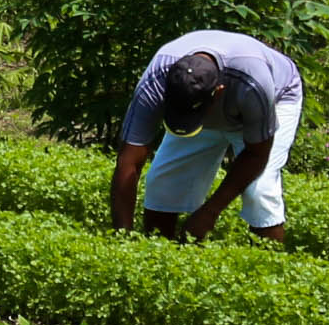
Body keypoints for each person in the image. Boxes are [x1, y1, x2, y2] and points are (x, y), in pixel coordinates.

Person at [109, 29, 302, 244]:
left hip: (275, 98)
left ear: (217, 94)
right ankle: (163, 253)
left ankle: (270, 265)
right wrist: (122, 238)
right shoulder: (156, 80)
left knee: (260, 192)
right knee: (163, 183)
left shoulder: (253, 82)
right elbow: (128, 162)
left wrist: (210, 212)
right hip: (209, 102)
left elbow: (257, 154)